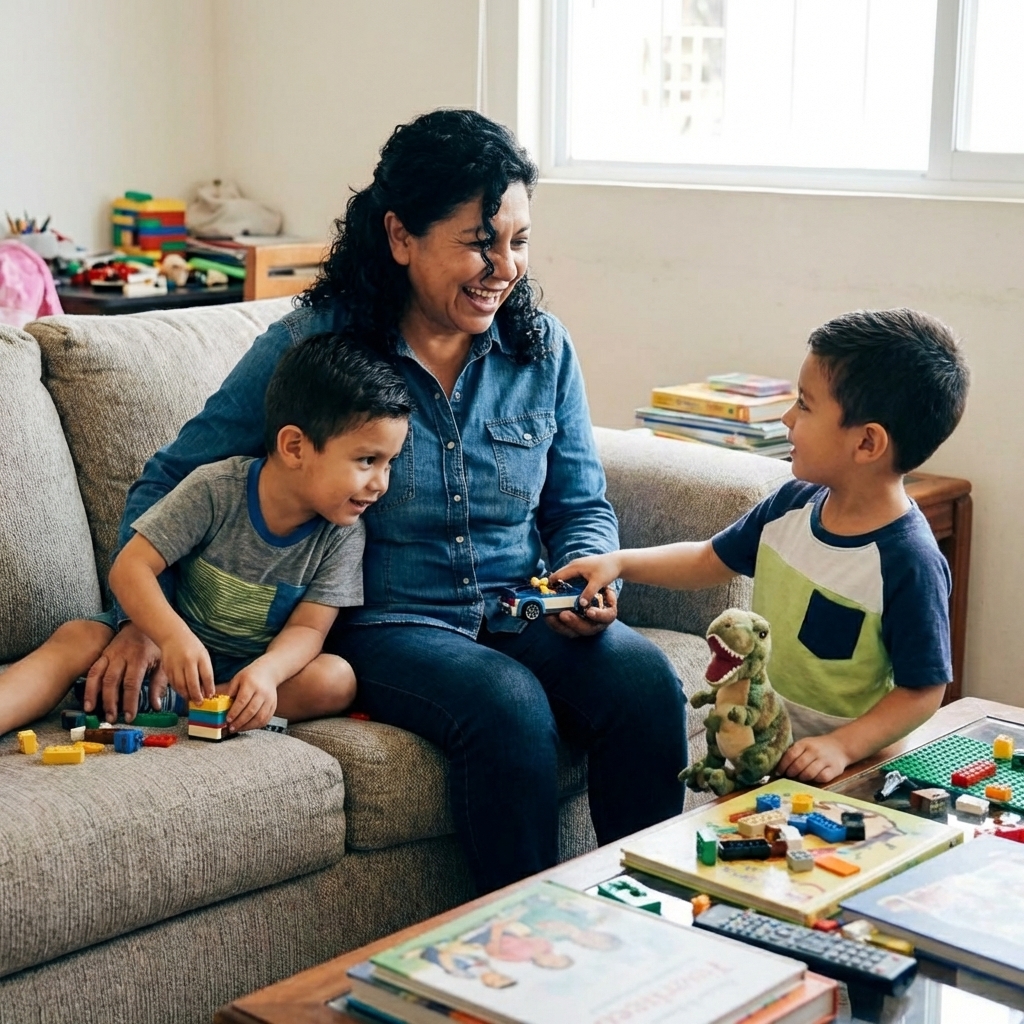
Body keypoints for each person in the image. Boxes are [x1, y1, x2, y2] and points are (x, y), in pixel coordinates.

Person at [76, 109, 688, 894]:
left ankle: (657, 929)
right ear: (401, 236)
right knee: (507, 705)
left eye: (519, 242)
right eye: (478, 241)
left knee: (642, 683)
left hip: (524, 604)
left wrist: (591, 577)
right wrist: (141, 615)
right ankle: (529, 956)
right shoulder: (317, 349)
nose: (504, 267)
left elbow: (582, 504)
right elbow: (173, 476)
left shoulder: (543, 349)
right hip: (392, 623)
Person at [555, 309, 969, 785]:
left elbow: (924, 688)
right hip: (768, 746)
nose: (788, 417)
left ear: (868, 442)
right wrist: (620, 561)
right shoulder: (791, 504)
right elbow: (708, 559)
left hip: (858, 768)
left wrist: (842, 746)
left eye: (805, 405)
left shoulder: (908, 560)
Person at [0, 334, 410, 735]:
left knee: (335, 679)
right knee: (78, 635)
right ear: (294, 447)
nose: (381, 483)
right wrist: (170, 636)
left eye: (389, 463)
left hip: (239, 671)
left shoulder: (343, 535)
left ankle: (210, 704)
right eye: (367, 460)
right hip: (161, 648)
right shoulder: (215, 489)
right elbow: (131, 567)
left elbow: (308, 630)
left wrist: (265, 674)